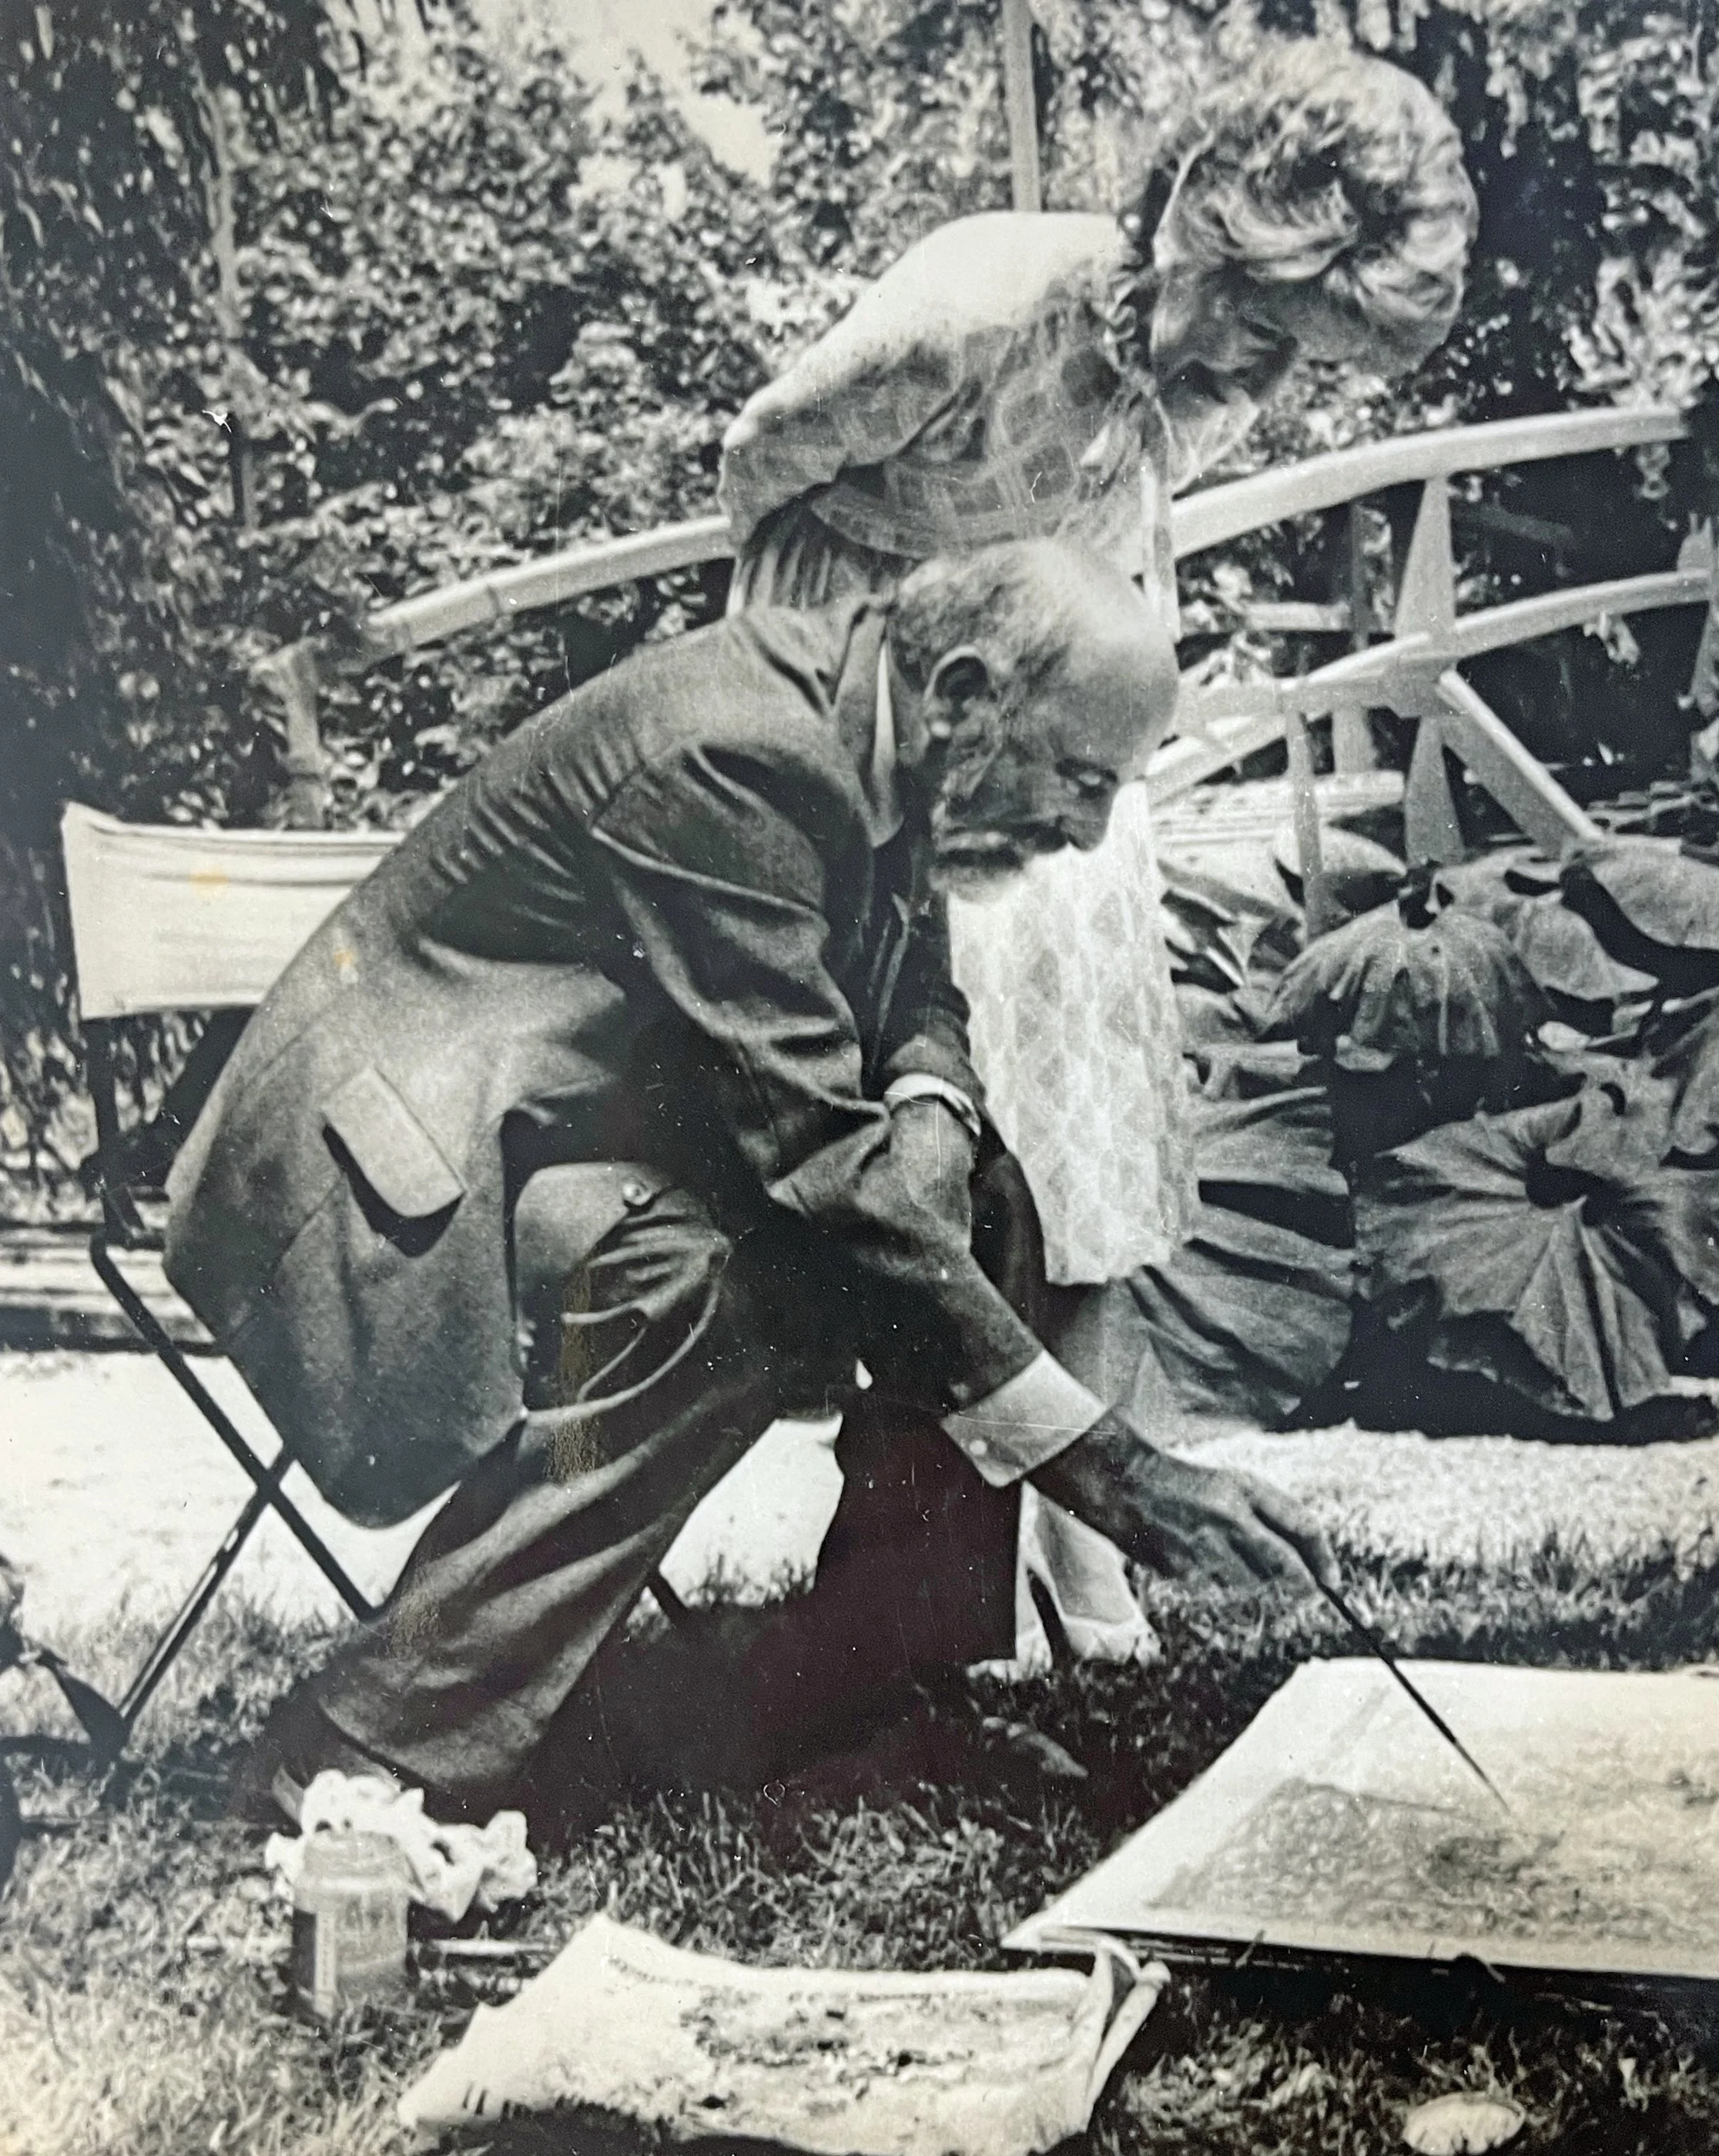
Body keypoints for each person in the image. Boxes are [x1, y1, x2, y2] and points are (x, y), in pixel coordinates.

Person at [163, 540, 1335, 1829]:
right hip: (383, 1178)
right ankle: (364, 1742)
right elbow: (820, 1170)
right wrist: (1111, 1471)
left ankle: (883, 1691)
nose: (1088, 829)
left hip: (555, 1116)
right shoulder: (738, 758)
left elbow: (915, 989)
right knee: (713, 1276)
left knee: (982, 1199)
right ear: (960, 695)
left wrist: (936, 1116)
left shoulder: (886, 727)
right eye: (1079, 777)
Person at [720, 38, 1477, 1669]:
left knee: (1096, 1137)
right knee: (957, 1122)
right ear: (1198, 219)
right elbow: (757, 470)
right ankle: (938, 1573)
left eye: (1312, 364)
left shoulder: (1200, 372)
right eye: (1269, 331)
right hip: (900, 731)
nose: (1271, 385)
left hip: (1055, 742)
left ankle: (1087, 1551)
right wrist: (869, 711)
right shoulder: (979, 304)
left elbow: (1107, 530)